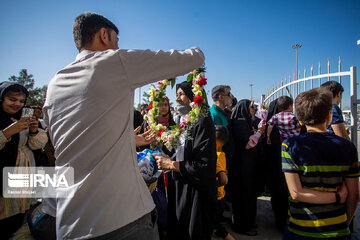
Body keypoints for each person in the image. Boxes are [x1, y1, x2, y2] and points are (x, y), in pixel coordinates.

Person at [43, 12, 205, 240]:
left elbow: (70, 144)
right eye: (117, 41)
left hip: (70, 222)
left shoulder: (55, 83)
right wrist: (198, 51)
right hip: (119, 219)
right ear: (104, 36)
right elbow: (190, 59)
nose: (119, 47)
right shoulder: (112, 62)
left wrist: (127, 139)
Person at [282, 88, 359, 239]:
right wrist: (344, 221)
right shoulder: (347, 147)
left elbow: (296, 193)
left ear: (300, 119)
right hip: (338, 229)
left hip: (300, 228)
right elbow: (354, 195)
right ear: (329, 116)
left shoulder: (290, 146)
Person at [155, 81, 217, 240]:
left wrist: (171, 164)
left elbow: (204, 165)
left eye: (181, 94)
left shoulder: (202, 122)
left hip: (195, 190)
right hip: (180, 185)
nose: (177, 99)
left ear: (193, 96)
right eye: (176, 95)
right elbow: (181, 151)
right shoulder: (183, 121)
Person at [0, 82, 48, 239]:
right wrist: (13, 129)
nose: (17, 104)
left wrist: (33, 130)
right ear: (2, 99)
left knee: (21, 206)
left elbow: (37, 145)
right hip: (6, 168)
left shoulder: (24, 117)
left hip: (25, 168)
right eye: (12, 99)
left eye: (21, 101)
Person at [229, 99, 264, 236]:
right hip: (243, 167)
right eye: (252, 107)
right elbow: (248, 143)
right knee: (243, 195)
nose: (254, 109)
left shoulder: (245, 120)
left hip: (248, 166)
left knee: (249, 193)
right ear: (244, 108)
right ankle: (242, 225)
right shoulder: (239, 122)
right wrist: (259, 133)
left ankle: (248, 221)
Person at [264, 99, 289, 232]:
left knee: (277, 196)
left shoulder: (270, 124)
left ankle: (279, 222)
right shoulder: (287, 124)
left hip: (273, 168)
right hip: (285, 168)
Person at [213, 125, 235, 240]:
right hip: (222, 196)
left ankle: (228, 237)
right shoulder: (223, 155)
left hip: (217, 196)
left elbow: (224, 179)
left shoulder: (215, 157)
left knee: (215, 223)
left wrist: (215, 187)